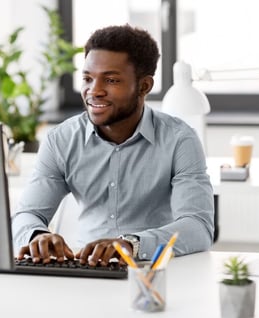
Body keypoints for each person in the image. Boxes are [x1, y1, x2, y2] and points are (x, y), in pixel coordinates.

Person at [11, 24, 214, 266]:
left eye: (111, 80)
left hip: (153, 271)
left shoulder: (180, 140)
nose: (94, 91)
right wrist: (37, 235)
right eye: (87, 78)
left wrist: (131, 244)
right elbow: (27, 214)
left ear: (144, 86)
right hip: (84, 271)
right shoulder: (61, 139)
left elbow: (198, 227)